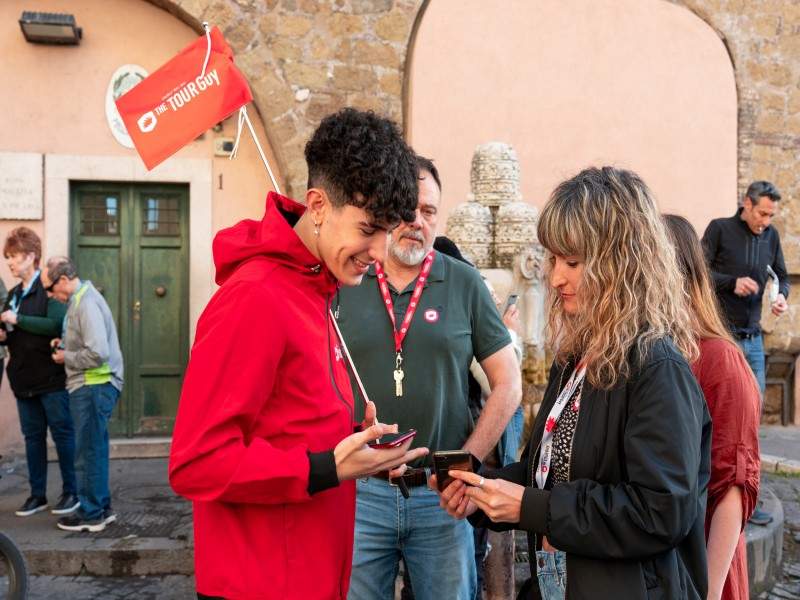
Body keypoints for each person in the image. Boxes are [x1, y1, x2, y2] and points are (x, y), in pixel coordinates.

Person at [167, 108, 428, 600]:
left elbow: (287, 426)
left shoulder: (317, 289)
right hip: (258, 584)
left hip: (309, 576)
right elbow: (196, 461)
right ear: (317, 205)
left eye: (387, 234)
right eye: (368, 229)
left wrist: (355, 445)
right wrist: (328, 467)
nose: (379, 252)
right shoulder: (255, 297)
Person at [437, 166, 711, 600]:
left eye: (573, 262)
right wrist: (483, 490)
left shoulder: (657, 368)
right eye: (553, 260)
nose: (555, 277)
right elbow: (549, 474)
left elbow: (661, 510)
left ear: (619, 263)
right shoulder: (577, 359)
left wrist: (532, 508)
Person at [337, 156, 522, 600]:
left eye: (430, 211)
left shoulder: (463, 282)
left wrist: (465, 465)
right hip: (362, 495)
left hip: (441, 497)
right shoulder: (348, 278)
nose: (417, 222)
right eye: (407, 209)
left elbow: (509, 383)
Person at [665, 214, 760, 600]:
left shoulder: (718, 359)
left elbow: (732, 488)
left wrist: (708, 591)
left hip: (701, 571)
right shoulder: (651, 352)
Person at [701, 180, 788, 526]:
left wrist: (781, 296)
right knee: (721, 419)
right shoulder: (720, 230)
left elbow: (781, 275)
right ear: (746, 204)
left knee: (751, 420)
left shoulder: (771, 236)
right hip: (722, 337)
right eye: (762, 213)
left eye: (771, 215)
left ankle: (745, 499)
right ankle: (713, 496)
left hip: (753, 341)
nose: (766, 220)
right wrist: (730, 282)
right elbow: (699, 272)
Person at [41, 256, 123, 532]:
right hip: (94, 385)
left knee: (87, 453)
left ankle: (91, 514)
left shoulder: (85, 303)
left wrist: (66, 356)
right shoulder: (81, 299)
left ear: (63, 280)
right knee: (94, 449)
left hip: (92, 385)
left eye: (50, 289)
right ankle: (101, 508)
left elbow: (99, 352)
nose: (50, 295)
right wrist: (64, 343)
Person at [0, 228, 77, 518]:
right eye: (8, 257)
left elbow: (55, 326)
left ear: (31, 257)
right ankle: (37, 495)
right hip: (23, 379)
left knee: (62, 435)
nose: (10, 262)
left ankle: (71, 492)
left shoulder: (48, 290)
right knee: (32, 438)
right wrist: (5, 334)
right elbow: (13, 330)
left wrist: (18, 319)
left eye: (15, 256)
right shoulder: (13, 294)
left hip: (50, 379)